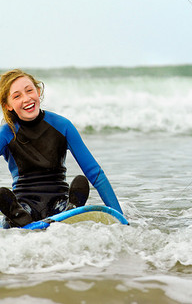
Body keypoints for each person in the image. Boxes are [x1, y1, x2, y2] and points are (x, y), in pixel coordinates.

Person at [0, 69, 123, 228]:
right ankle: (16, 214)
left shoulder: (62, 125)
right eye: (17, 96)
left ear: (38, 91)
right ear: (7, 105)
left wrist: (119, 217)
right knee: (5, 199)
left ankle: (72, 207)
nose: (26, 98)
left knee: (79, 183)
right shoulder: (6, 134)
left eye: (29, 90)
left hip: (58, 202)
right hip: (24, 204)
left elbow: (95, 173)